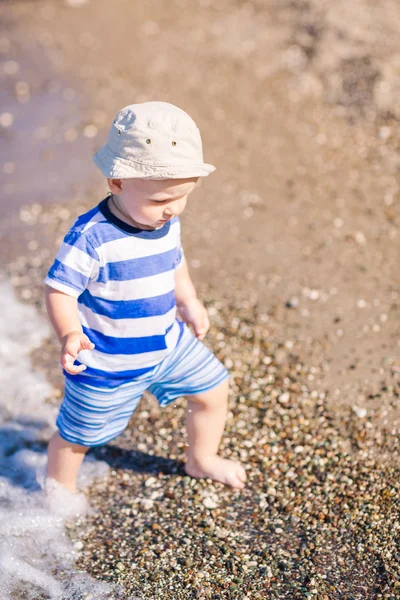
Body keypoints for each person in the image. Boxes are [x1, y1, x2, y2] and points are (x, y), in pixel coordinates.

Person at [44, 101, 246, 494]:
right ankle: (57, 495)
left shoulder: (166, 222)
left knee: (214, 389)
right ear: (116, 183)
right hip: (105, 363)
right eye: (158, 201)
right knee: (76, 437)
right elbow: (59, 289)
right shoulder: (91, 237)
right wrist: (69, 334)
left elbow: (175, 262)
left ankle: (201, 459)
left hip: (167, 343)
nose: (170, 210)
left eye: (182, 197)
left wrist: (188, 300)